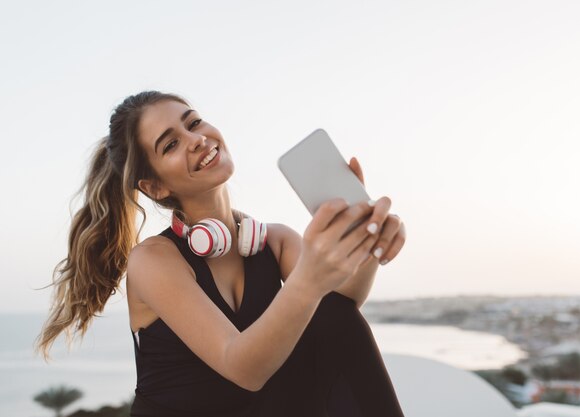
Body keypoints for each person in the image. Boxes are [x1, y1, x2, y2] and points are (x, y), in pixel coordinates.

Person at [35, 91, 407, 417]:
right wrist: (309, 279)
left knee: (332, 313)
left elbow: (340, 309)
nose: (196, 139)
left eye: (193, 122)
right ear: (155, 186)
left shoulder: (272, 240)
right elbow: (241, 366)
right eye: (171, 144)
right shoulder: (153, 260)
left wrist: (368, 240)